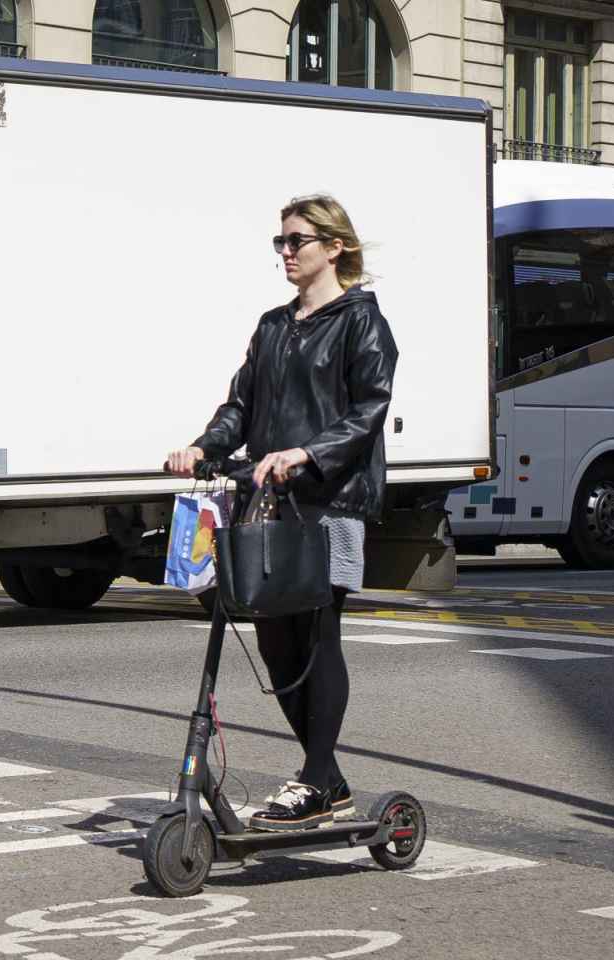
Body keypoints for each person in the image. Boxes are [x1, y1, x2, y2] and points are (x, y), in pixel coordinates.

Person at [165, 193, 398, 832]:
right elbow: (240, 407)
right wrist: (203, 447)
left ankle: (317, 779)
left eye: (297, 241)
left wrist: (305, 452)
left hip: (330, 501)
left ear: (335, 247)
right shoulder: (273, 325)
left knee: (318, 639)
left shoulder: (361, 324)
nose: (287, 252)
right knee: (275, 642)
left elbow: (367, 412)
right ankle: (329, 779)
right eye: (282, 243)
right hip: (269, 501)